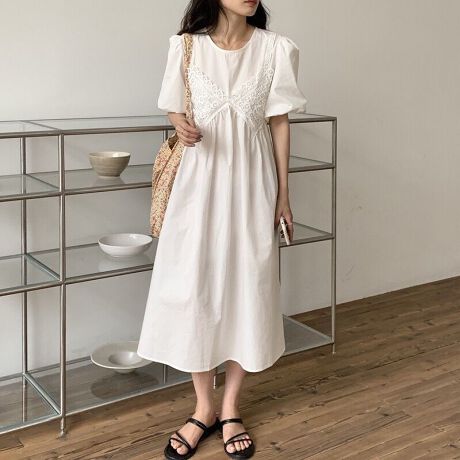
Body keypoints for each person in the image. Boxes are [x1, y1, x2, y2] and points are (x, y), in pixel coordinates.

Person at [137, 0, 307, 458]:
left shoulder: (276, 48)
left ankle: (230, 407)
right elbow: (174, 109)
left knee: (248, 289)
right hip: (197, 187)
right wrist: (180, 125)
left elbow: (279, 123)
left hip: (253, 186)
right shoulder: (185, 47)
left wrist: (284, 194)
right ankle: (203, 408)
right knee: (195, 289)